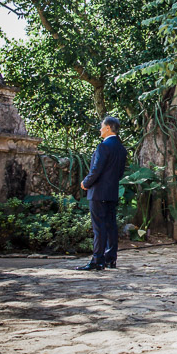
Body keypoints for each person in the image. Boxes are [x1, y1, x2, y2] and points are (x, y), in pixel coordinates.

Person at [76, 116, 128, 272]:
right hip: (112, 191)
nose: (100, 129)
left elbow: (96, 170)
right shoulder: (121, 148)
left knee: (99, 227)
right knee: (111, 226)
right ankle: (110, 259)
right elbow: (119, 173)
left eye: (101, 127)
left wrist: (85, 183)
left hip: (98, 192)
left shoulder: (103, 147)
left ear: (107, 128)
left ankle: (98, 260)